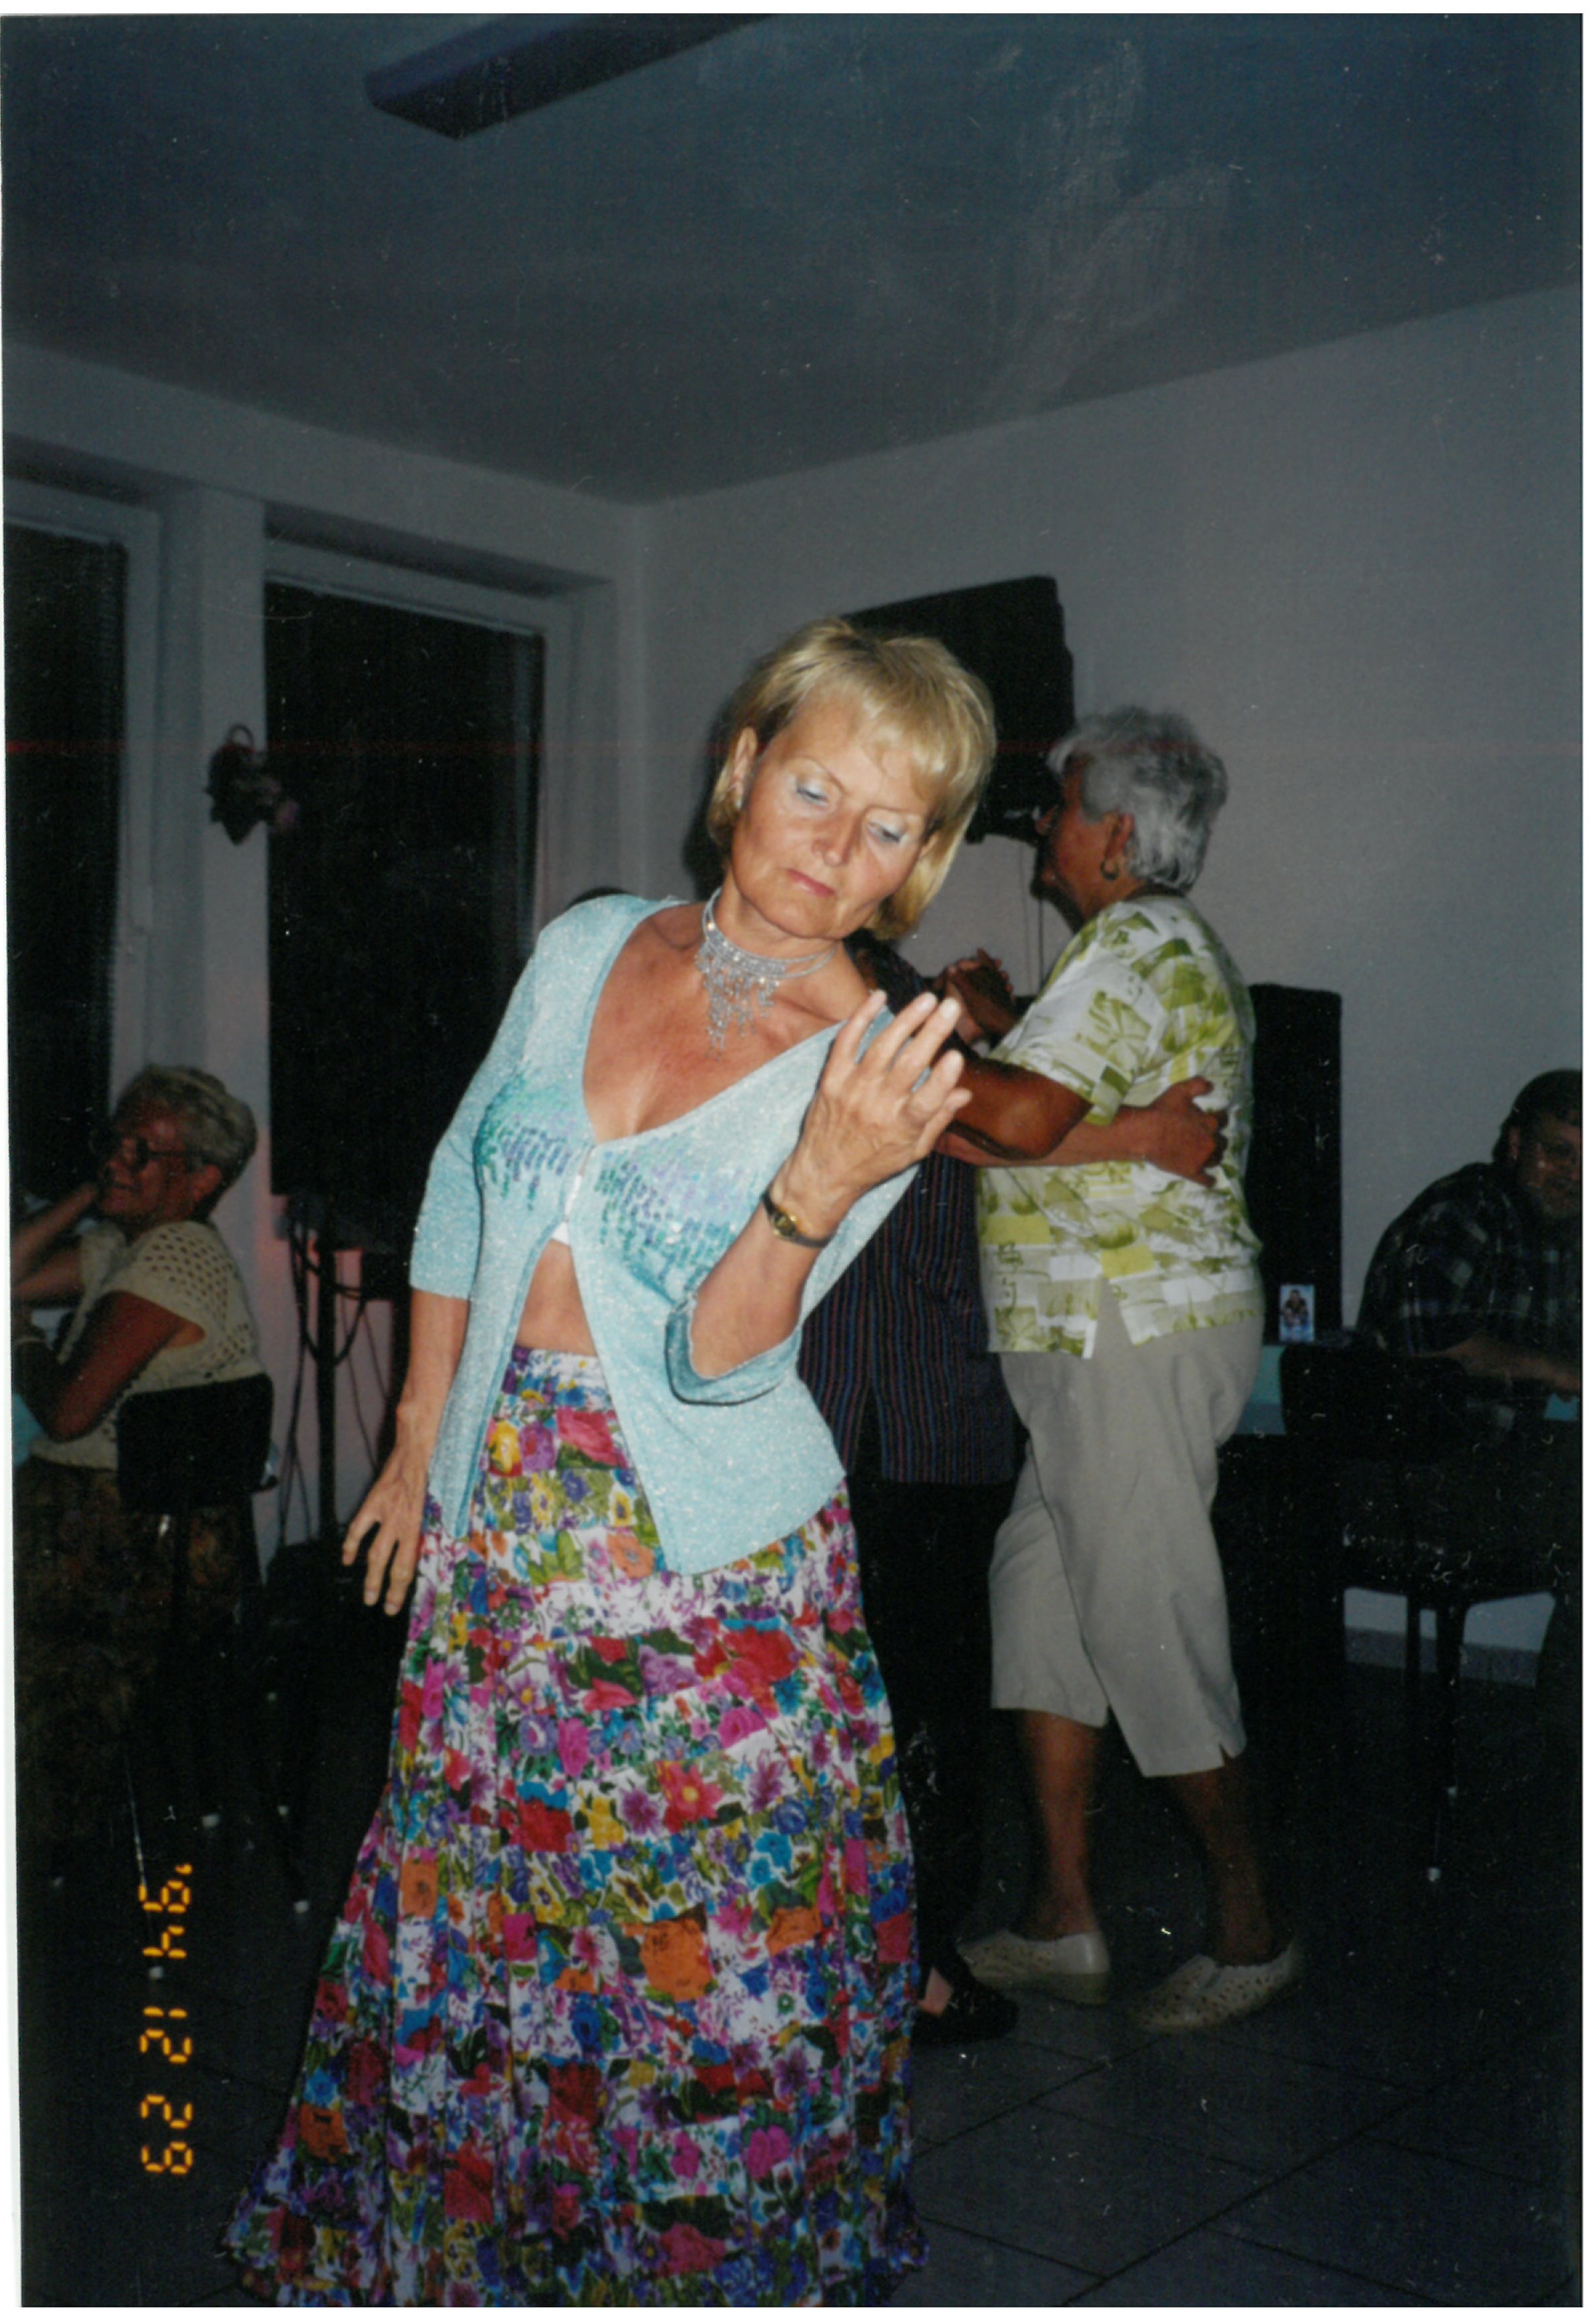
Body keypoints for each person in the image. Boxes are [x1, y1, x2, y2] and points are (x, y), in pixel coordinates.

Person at [224, 615, 996, 2306]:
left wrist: (818, 1181)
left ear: (919, 860)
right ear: (743, 765)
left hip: (704, 1576)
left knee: (685, 1978)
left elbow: (716, 1366)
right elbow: (461, 1178)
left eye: (887, 827)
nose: (834, 848)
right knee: (484, 1934)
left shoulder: (877, 1062)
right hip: (499, 1524)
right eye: (814, 789)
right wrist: (415, 1439)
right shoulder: (585, 946)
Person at [937, 708, 1300, 2035]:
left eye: (1058, 803)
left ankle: (1250, 1930)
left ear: (1110, 832)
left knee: (1147, 1621)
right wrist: (999, 1030)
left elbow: (1017, 1118)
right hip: (1084, 1336)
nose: (1042, 823)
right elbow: (1057, 1104)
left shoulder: (1132, 940)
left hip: (1124, 1328)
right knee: (1040, 1605)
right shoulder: (1138, 950)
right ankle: (1061, 1918)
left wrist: (906, 1050)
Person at [798, 933, 1226, 2048]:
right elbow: (974, 1124)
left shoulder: (854, 980)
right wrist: (1138, 1134)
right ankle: (911, 1964)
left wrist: (983, 1031)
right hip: (885, 1398)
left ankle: (923, 1950)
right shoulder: (848, 981)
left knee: (910, 1691)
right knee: (908, 1694)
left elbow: (976, 1125)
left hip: (905, 1399)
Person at [11, 1065, 264, 1857]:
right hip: (123, 1522)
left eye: (141, 1152)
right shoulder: (129, 1247)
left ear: (201, 1178)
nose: (118, 1159)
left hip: (130, 1539)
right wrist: (97, 1191)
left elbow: (67, 1413)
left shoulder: (175, 1257)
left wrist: (19, 1339)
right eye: (114, 1143)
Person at [1357, 1070, 1581, 1744]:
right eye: (1557, 1151)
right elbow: (1426, 1338)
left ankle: (1565, 1736)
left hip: (1494, 1468)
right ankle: (1563, 1744)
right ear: (1514, 1144)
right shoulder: (1466, 1209)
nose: (1573, 1174)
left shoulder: (1569, 1237)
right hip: (1411, 1479)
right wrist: (1559, 1370)